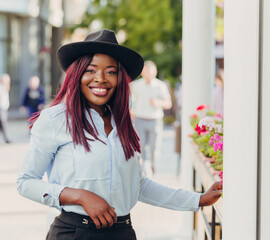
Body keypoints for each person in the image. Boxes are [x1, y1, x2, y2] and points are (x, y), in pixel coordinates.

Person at [17, 29, 222, 240]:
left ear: (120, 78)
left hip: (123, 232)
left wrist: (198, 200)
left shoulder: (122, 121)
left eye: (111, 71)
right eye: (91, 70)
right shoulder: (55, 119)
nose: (101, 78)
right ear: (77, 75)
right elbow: (26, 182)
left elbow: (139, 185)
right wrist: (79, 196)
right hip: (75, 233)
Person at [130, 60, 172, 177]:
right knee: (141, 146)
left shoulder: (160, 86)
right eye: (146, 71)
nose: (148, 73)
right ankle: (143, 170)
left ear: (155, 72)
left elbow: (168, 103)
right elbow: (130, 101)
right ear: (142, 72)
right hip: (140, 119)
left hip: (155, 120)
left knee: (154, 147)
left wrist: (158, 102)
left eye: (150, 71)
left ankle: (153, 166)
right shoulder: (136, 85)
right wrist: (131, 111)